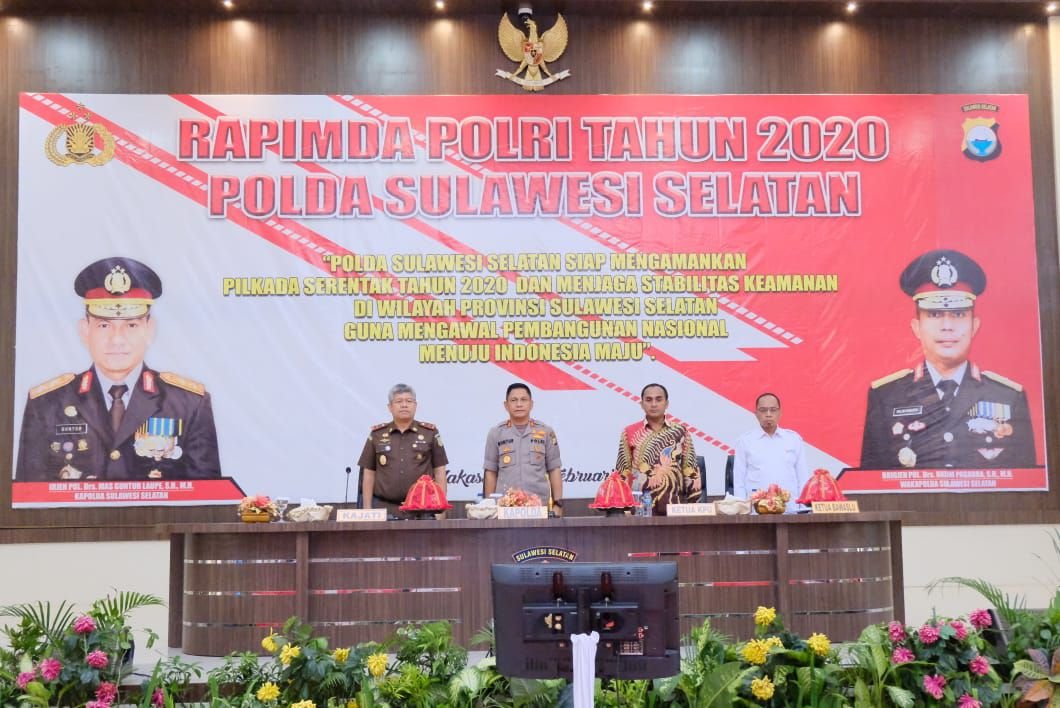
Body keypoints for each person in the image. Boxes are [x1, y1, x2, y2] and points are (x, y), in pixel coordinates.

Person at [15, 257, 221, 481]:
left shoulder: (189, 403)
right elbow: (28, 493)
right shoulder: (47, 404)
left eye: (131, 325)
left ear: (150, 330)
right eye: (104, 325)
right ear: (85, 331)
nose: (117, 340)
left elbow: (207, 493)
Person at [860, 249, 1036, 469]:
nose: (947, 326)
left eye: (959, 314)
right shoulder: (886, 397)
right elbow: (873, 482)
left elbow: (1026, 481)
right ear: (916, 327)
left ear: (974, 326)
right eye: (934, 315)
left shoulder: (1008, 397)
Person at [357, 383, 448, 518]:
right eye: (399, 401)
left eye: (409, 401)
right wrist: (367, 509)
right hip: (384, 508)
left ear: (415, 405)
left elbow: (440, 471)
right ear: (390, 407)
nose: (404, 405)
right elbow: (369, 472)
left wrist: (441, 509)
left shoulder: (430, 432)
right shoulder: (377, 434)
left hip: (422, 509)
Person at [615, 383, 701, 515]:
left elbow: (690, 470)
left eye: (658, 399)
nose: (654, 404)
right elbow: (623, 471)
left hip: (674, 506)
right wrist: (623, 509)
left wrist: (693, 507)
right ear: (642, 404)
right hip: (639, 508)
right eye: (649, 400)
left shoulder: (680, 431)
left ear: (666, 404)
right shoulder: (629, 432)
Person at [483, 383, 564, 516]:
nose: (519, 404)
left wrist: (558, 504)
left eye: (523, 400)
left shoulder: (546, 432)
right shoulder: (496, 433)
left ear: (531, 404)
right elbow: (490, 472)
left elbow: (554, 469)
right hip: (505, 508)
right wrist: (489, 507)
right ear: (506, 405)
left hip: (539, 507)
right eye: (514, 400)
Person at [732, 392, 809, 510]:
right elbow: (739, 481)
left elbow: (802, 477)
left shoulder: (793, 439)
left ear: (780, 413)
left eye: (773, 410)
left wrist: (803, 509)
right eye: (763, 410)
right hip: (756, 511)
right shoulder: (745, 441)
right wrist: (742, 510)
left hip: (790, 510)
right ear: (756, 414)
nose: (768, 414)